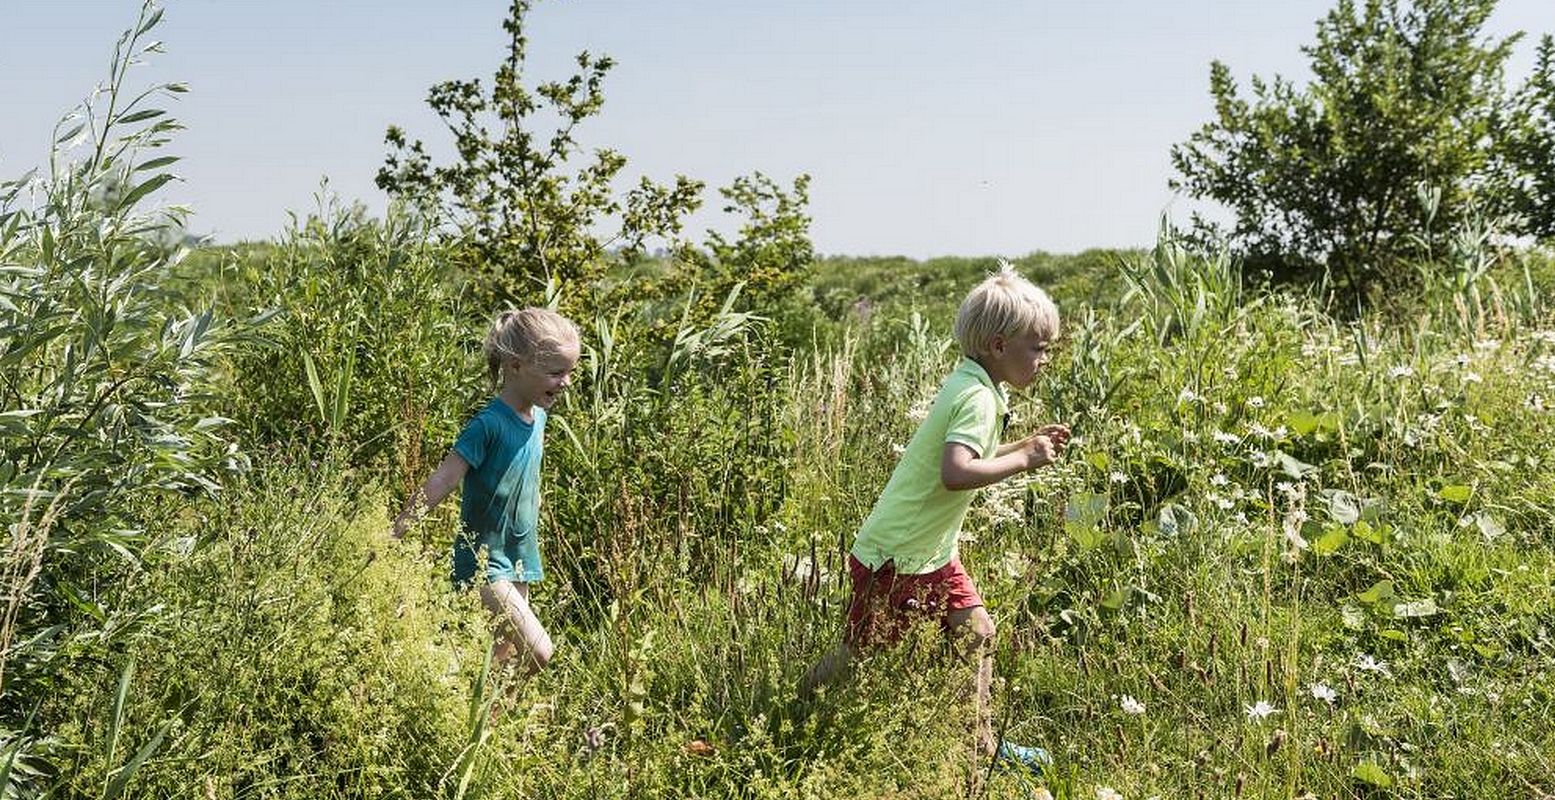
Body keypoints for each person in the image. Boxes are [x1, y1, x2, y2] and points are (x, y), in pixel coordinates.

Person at [800, 262, 1070, 775]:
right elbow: (955, 472)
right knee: (859, 655)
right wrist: (1024, 461)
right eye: (1037, 347)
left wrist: (1023, 444)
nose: (1044, 359)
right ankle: (794, 707)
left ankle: (981, 745)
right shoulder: (977, 398)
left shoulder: (974, 383)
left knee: (977, 633)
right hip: (899, 557)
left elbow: (969, 456)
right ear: (997, 345)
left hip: (925, 552)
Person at [391, 307, 580, 674]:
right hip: (484, 562)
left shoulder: (538, 418)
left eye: (570, 371)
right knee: (540, 651)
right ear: (515, 366)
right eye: (556, 372)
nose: (566, 381)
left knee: (501, 663)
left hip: (521, 559)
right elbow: (443, 480)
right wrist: (396, 532)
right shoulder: (487, 425)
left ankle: (486, 724)